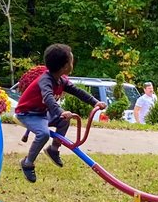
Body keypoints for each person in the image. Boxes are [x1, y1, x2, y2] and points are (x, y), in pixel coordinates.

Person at [14, 43, 106, 183]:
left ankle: (53, 149)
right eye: (71, 60)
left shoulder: (61, 80)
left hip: (42, 113)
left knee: (64, 120)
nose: (73, 63)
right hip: (28, 113)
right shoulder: (45, 81)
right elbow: (48, 98)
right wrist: (60, 111)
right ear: (64, 67)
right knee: (43, 134)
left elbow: (77, 91)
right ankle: (27, 163)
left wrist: (95, 102)